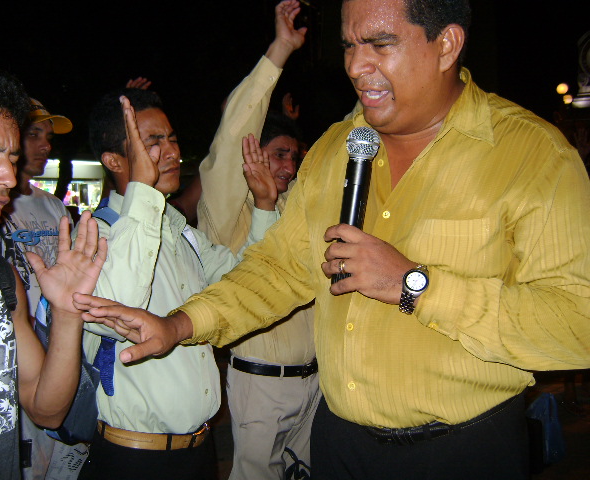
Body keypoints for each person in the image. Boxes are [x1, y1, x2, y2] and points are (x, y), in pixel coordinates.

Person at [77, 0, 590, 479]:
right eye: (349, 45)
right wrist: (180, 324)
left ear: (447, 45)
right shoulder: (334, 151)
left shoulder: (532, 156)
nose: (356, 66)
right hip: (339, 443)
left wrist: (414, 285)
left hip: (464, 450)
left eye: (380, 44)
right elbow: (278, 269)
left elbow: (577, 324)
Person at [78, 88, 279, 480]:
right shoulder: (94, 235)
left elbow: (246, 281)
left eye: (171, 138)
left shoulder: (180, 232)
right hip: (135, 460)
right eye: (152, 142)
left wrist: (265, 207)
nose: (172, 151)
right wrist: (142, 189)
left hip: (197, 452)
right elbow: (114, 311)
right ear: (114, 160)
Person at [0, 58, 107, 479]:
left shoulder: (0, 280)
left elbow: (46, 409)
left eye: (11, 157)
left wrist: (68, 313)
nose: (7, 175)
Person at [196, 2, 319, 478]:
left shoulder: (293, 207)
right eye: (279, 154)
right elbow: (233, 137)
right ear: (253, 153)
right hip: (263, 387)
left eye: (294, 156)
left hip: (314, 385)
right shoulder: (228, 209)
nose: (289, 166)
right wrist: (280, 50)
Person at [0, 99, 91, 479]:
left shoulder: (54, 207)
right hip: (10, 356)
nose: (45, 145)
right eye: (34, 134)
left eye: (48, 137)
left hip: (56, 345)